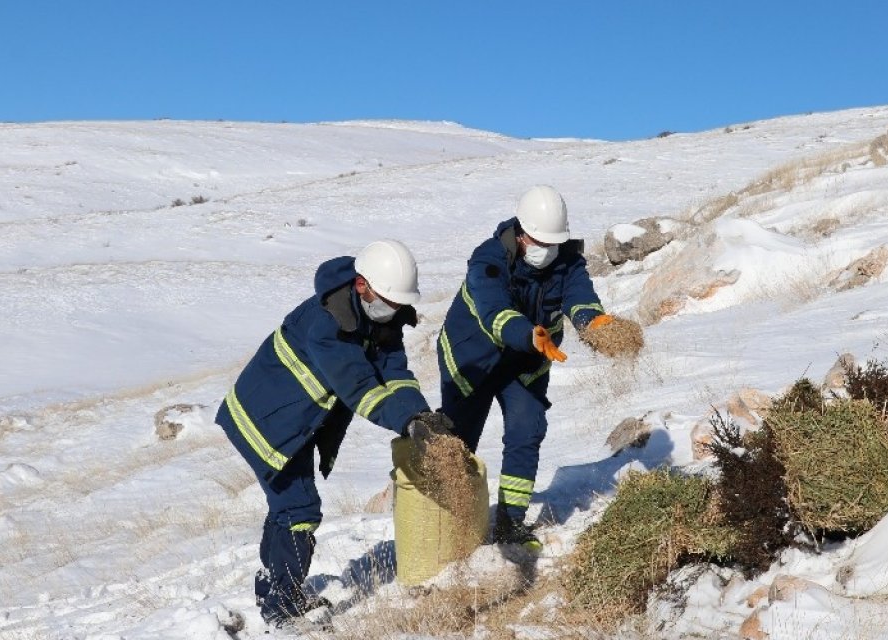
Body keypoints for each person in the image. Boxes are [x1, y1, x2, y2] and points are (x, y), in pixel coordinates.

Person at [215, 239, 450, 627]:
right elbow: (360, 387)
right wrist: (406, 424)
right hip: (266, 423)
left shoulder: (380, 318)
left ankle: (272, 584)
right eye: (388, 301)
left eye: (397, 303)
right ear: (362, 286)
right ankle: (283, 608)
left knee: (285, 507)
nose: (393, 310)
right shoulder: (327, 323)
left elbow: (394, 372)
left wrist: (419, 414)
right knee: (299, 510)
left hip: (294, 422)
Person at [436, 185, 629, 550]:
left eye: (553, 242)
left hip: (525, 364)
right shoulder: (488, 259)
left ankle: (510, 523)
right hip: (472, 361)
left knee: (527, 430)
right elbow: (494, 311)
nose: (546, 250)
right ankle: (449, 528)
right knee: (458, 445)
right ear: (521, 233)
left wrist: (594, 322)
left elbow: (580, 297)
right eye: (539, 241)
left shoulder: (568, 261)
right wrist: (527, 334)